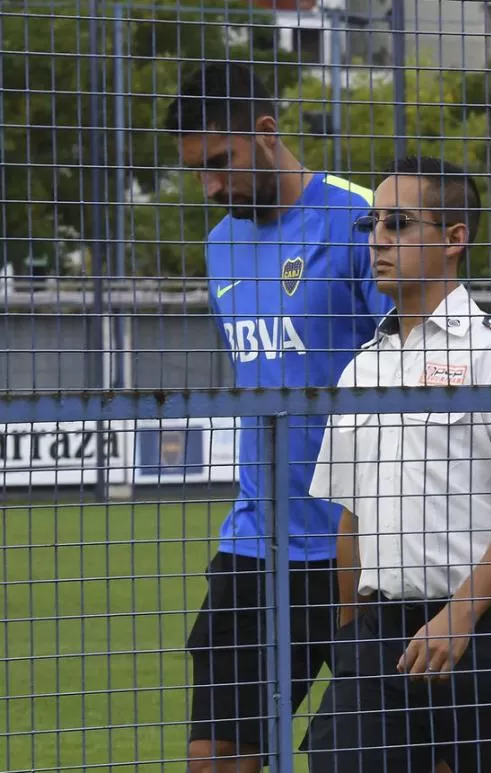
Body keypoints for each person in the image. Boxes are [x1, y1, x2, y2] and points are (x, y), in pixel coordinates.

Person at [301, 156, 491, 773]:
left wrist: (460, 613)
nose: (378, 240)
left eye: (399, 223)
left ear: (455, 239)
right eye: (373, 223)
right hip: (379, 644)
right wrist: (351, 638)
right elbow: (350, 517)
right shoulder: (361, 367)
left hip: (486, 629)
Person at [163, 61, 393, 773]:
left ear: (266, 134)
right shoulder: (221, 243)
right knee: (217, 757)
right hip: (257, 542)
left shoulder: (361, 218)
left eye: (219, 164)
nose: (209, 187)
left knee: (383, 755)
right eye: (196, 172)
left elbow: (423, 353)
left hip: (368, 546)